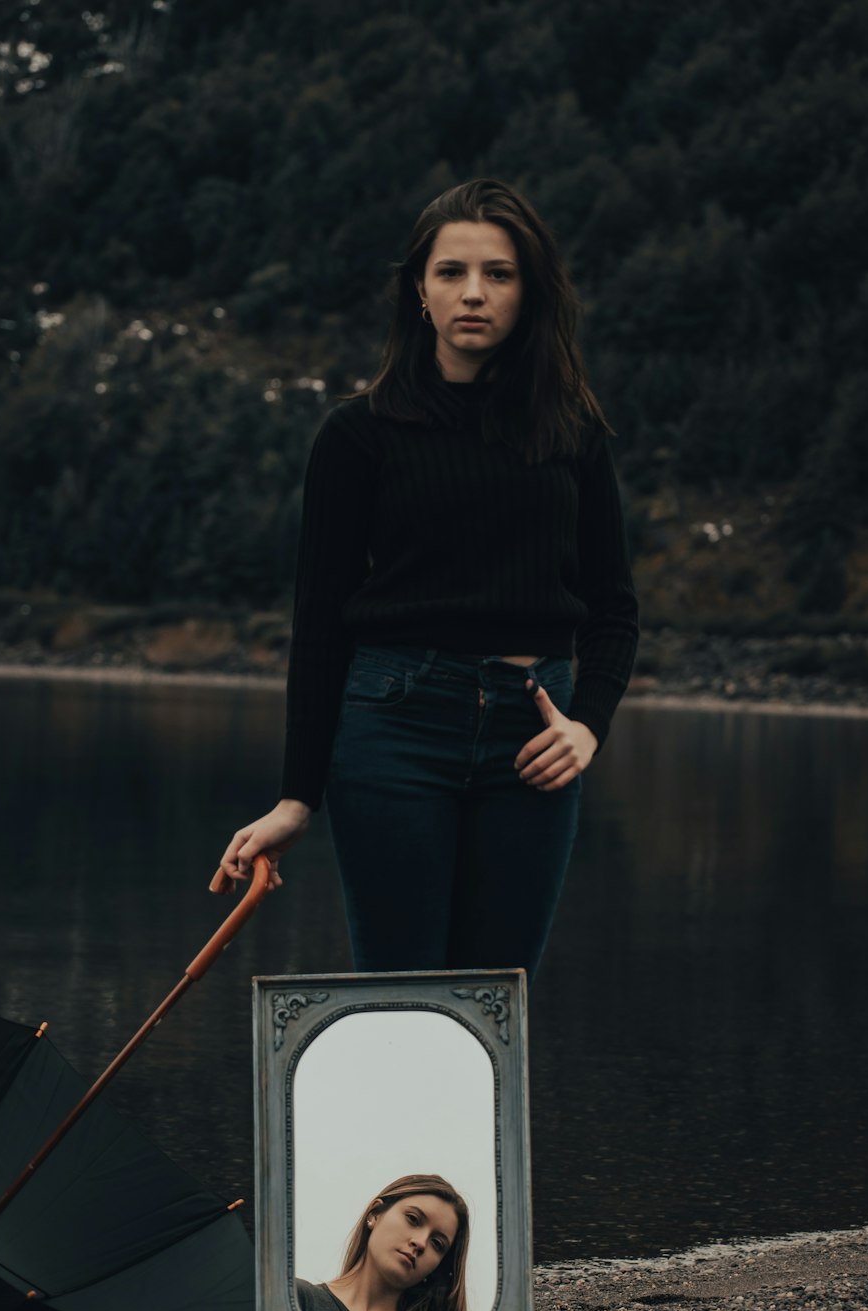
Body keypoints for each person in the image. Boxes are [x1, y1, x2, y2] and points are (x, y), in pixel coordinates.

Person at [219, 178, 639, 984]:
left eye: (499, 273)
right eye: (451, 272)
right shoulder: (358, 434)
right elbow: (320, 627)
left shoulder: (572, 432)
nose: (473, 293)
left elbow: (614, 609)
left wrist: (588, 726)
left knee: (493, 1004)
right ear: (420, 290)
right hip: (393, 729)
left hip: (533, 739)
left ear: (530, 292)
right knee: (402, 1001)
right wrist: (295, 798)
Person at [295, 1173, 469, 1311]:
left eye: (437, 1244)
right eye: (413, 1219)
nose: (421, 1242)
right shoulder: (296, 1304)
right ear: (375, 1214)